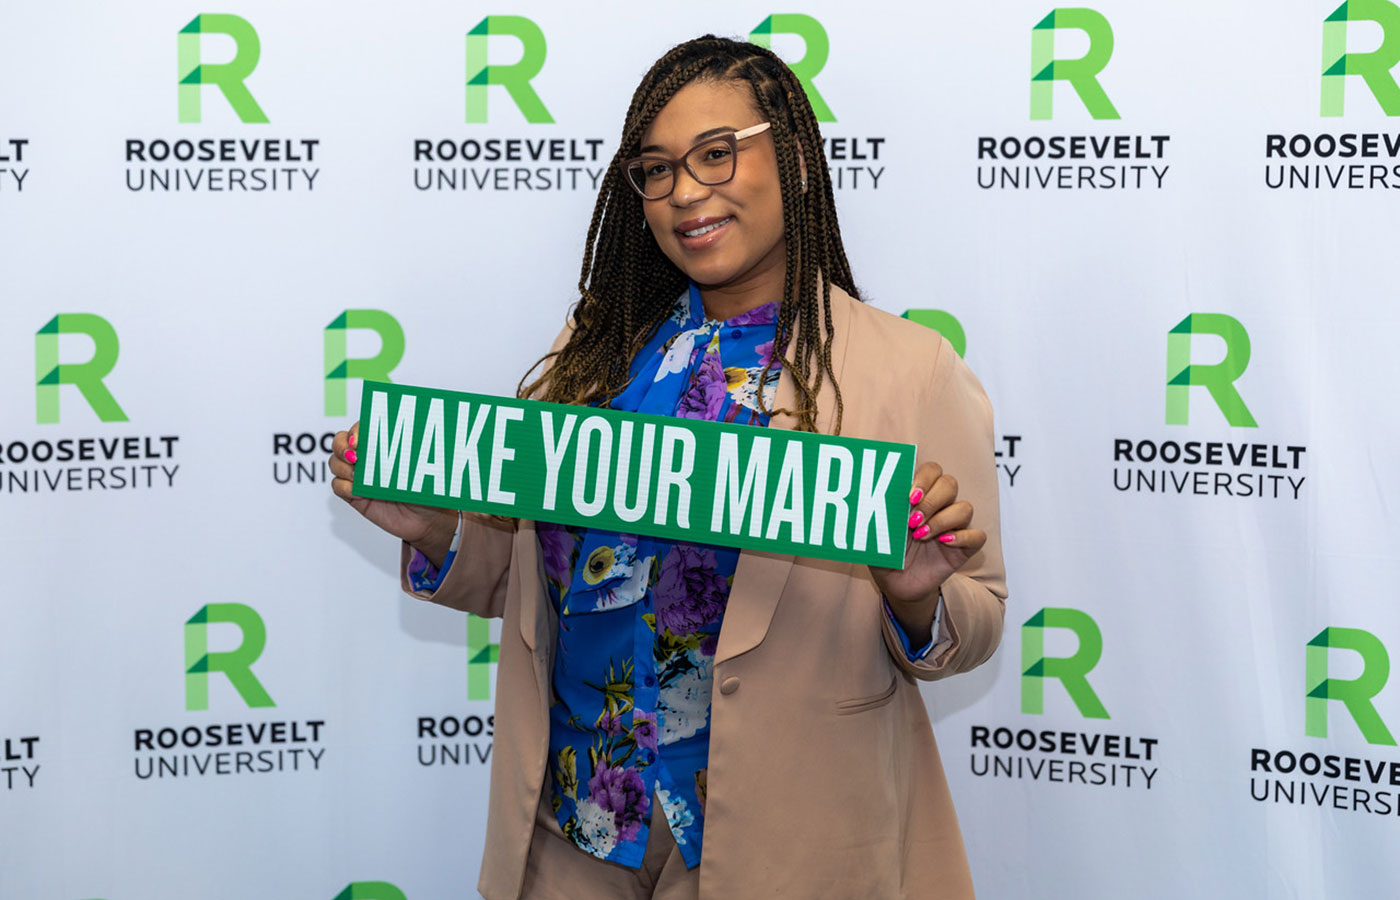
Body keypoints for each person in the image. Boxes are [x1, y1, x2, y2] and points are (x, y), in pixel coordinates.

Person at [330, 35, 1006, 900]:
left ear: (795, 159)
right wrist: (436, 531)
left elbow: (975, 620)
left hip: (777, 845)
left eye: (717, 154)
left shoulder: (909, 370)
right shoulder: (597, 354)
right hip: (575, 831)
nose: (686, 191)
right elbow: (545, 581)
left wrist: (914, 594)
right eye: (656, 169)